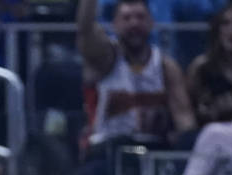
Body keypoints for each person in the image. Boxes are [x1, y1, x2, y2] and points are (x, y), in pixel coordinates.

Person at [75, 0, 195, 149]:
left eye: (140, 17)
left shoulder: (166, 67)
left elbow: (184, 118)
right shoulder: (105, 59)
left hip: (153, 151)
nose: (134, 23)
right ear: (115, 25)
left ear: (151, 22)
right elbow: (85, 30)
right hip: (108, 149)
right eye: (127, 18)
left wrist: (185, 143)